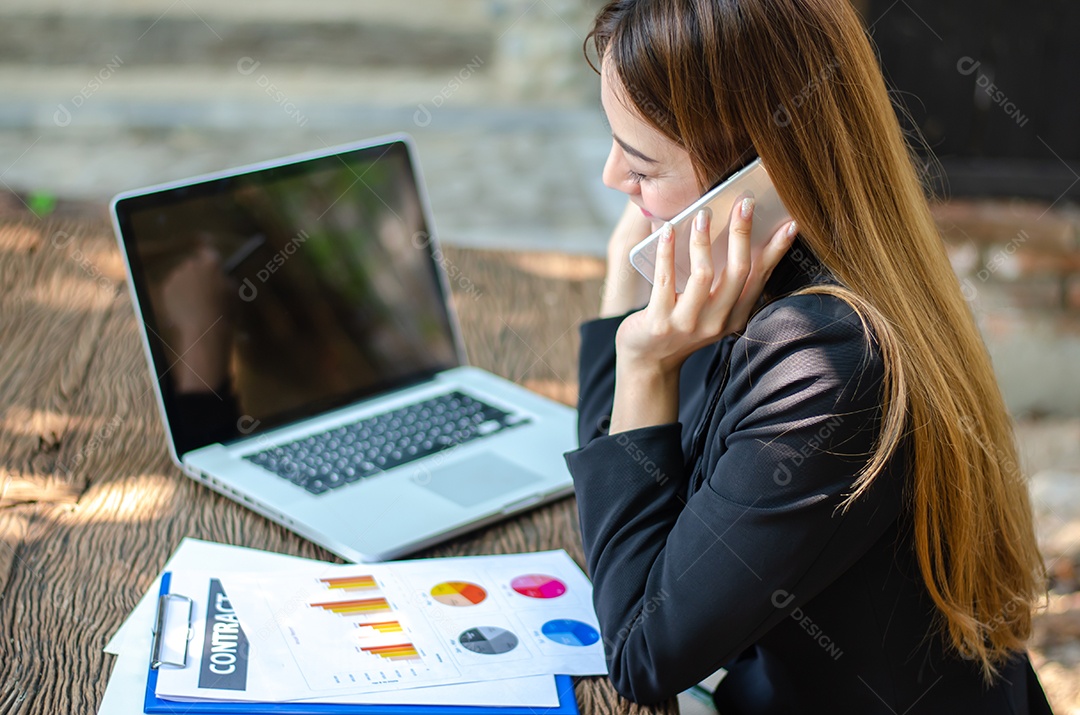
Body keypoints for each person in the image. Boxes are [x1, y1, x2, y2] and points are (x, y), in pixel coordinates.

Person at [562, 1, 1052, 712]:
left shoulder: (824, 356)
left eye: (640, 162)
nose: (614, 177)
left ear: (754, 180)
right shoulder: (798, 276)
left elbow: (641, 648)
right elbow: (634, 497)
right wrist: (624, 279)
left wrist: (641, 362)